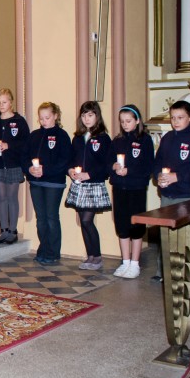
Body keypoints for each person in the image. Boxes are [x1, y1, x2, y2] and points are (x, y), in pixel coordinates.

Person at [66, 101, 113, 271]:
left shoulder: (103, 138)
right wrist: (70, 170)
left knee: (87, 220)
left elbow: (106, 164)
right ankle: (90, 256)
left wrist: (90, 174)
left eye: (90, 115)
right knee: (83, 221)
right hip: (79, 185)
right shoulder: (77, 138)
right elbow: (71, 158)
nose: (87, 118)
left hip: (93, 184)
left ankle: (97, 255)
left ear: (97, 116)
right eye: (84, 115)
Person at [110, 105, 155, 279]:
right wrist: (113, 166)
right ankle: (125, 261)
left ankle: (135, 263)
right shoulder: (117, 141)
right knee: (121, 225)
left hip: (136, 187)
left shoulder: (145, 140)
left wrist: (130, 171)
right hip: (120, 187)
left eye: (128, 121)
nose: (125, 124)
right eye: (122, 121)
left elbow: (147, 165)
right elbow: (109, 161)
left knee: (136, 225)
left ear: (137, 120)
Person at [26, 102, 71, 264]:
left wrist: (46, 170)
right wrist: (29, 169)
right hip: (36, 182)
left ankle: (53, 252)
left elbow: (64, 161)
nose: (44, 121)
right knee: (41, 218)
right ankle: (43, 248)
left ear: (55, 116)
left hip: (53, 183)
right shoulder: (34, 135)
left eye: (47, 117)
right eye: (41, 118)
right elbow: (25, 156)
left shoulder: (62, 136)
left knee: (51, 217)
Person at [0, 88, 30, 245]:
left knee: (12, 197)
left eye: (4, 102)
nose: (1, 105)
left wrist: (8, 145)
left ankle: (13, 230)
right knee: (1, 198)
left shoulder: (19, 122)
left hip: (13, 164)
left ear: (11, 102)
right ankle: (3, 230)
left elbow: (25, 142)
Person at [153, 100, 190, 206]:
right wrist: (158, 175)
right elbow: (158, 161)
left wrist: (178, 176)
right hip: (167, 193)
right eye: (173, 117)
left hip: (187, 194)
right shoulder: (167, 138)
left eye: (180, 118)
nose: (175, 121)